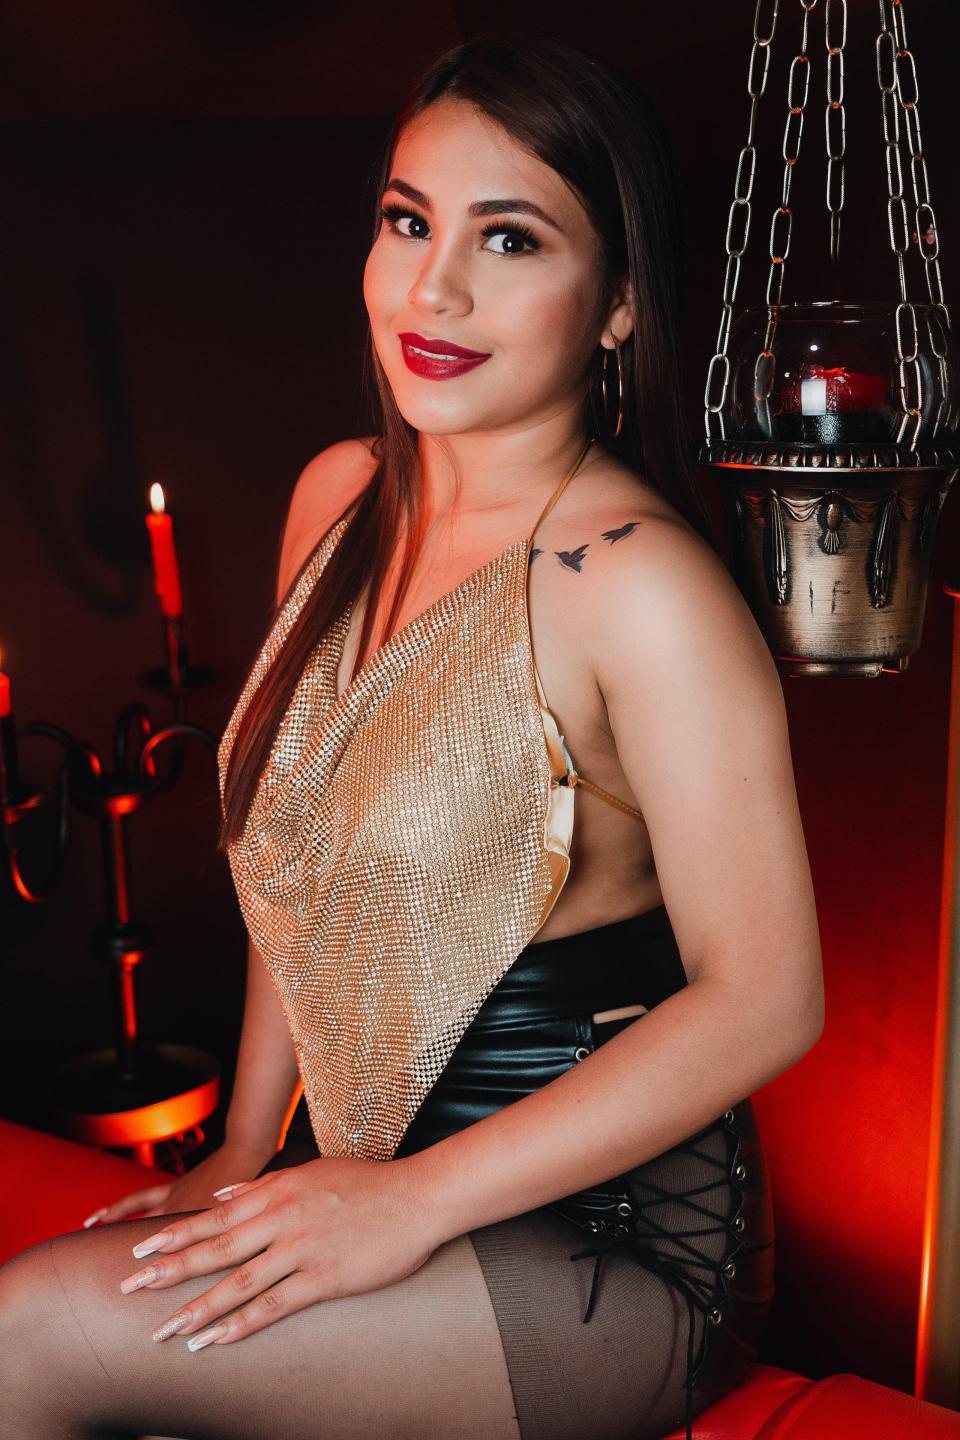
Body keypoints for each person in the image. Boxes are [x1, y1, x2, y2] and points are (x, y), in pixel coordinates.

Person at [0, 31, 823, 1440]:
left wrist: (407, 1205)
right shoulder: (337, 500)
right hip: (367, 1175)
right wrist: (245, 1144)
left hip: (609, 1248)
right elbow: (300, 871)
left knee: (25, 1339)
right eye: (407, 220)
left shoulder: (639, 586)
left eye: (510, 238)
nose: (434, 289)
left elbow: (767, 999)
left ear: (619, 303)